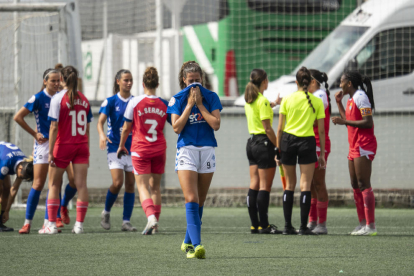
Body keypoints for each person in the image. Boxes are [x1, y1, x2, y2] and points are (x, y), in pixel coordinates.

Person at [167, 61, 222, 259]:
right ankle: (196, 246)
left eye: (197, 80)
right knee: (191, 198)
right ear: (184, 80)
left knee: (200, 201)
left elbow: (216, 124)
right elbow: (176, 127)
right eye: (190, 81)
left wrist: (200, 104)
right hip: (187, 151)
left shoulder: (210, 97)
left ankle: (187, 241)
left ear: (202, 79)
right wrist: (190, 105)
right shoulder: (177, 99)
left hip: (207, 151)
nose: (194, 85)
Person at [13, 68, 77, 234]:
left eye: (58, 80)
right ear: (45, 81)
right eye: (53, 81)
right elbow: (18, 117)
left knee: (59, 183)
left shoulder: (64, 96)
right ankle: (27, 223)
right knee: (39, 183)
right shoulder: (38, 98)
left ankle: (49, 221)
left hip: (61, 144)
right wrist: (35, 133)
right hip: (43, 145)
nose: (56, 84)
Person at [118, 67, 170, 235]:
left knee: (142, 187)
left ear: (142, 84)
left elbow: (126, 128)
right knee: (155, 188)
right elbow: (175, 124)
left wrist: (121, 145)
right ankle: (155, 224)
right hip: (159, 149)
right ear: (158, 84)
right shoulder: (164, 103)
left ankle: (150, 218)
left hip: (141, 149)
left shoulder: (134, 102)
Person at [276, 66, 326, 235]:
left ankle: (287, 227)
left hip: (288, 141)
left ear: (296, 82)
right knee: (305, 185)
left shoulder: (287, 100)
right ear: (311, 82)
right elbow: (321, 131)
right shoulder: (317, 101)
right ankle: (304, 227)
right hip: (307, 142)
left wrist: (278, 150)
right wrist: (323, 153)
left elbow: (280, 128)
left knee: (289, 185)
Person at [46, 66, 93, 234]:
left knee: (54, 184)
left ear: (62, 80)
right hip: (81, 145)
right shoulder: (85, 99)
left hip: (63, 145)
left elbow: (53, 126)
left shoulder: (58, 98)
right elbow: (87, 129)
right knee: (81, 186)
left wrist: (50, 152)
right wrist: (87, 149)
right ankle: (79, 225)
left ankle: (51, 225)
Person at [331, 70, 377, 236]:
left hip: (364, 145)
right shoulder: (350, 99)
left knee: (364, 183)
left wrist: (344, 121)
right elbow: (349, 122)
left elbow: (367, 122)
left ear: (349, 83)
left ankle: (371, 227)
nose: (340, 84)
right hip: (354, 145)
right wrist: (338, 103)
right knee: (355, 184)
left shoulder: (360, 97)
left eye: (342, 81)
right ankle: (362, 223)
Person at [244, 69, 282, 235]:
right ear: (264, 81)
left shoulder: (250, 100)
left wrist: (274, 103)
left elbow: (262, 110)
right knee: (265, 187)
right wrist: (278, 147)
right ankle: (265, 225)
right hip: (263, 144)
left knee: (254, 184)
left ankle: (255, 225)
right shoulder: (262, 101)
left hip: (251, 143)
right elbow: (268, 128)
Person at [98, 69, 136, 232]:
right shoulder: (110, 102)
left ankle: (126, 221)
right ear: (117, 81)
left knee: (130, 184)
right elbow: (100, 122)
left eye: (130, 80)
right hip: (114, 147)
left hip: (132, 148)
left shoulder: (136, 101)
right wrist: (101, 136)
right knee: (117, 182)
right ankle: (106, 212)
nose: (128, 83)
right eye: (125, 80)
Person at [306, 69, 331, 235]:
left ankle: (321, 223)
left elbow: (314, 119)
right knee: (311, 185)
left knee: (319, 183)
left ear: (313, 82)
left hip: (318, 144)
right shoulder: (316, 96)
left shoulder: (320, 96)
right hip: (310, 143)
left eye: (307, 81)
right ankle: (312, 220)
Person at [0, 142, 33, 231]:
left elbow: (14, 189)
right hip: (3, 159)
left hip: (4, 157)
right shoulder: (5, 164)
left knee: (7, 188)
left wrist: (6, 211)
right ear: (20, 169)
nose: (21, 178)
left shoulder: (24, 164)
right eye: (22, 177)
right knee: (2, 189)